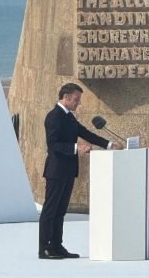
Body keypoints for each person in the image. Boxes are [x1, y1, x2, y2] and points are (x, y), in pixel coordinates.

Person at [39, 83, 123, 260]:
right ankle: (45, 248)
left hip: (68, 170)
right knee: (50, 210)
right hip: (56, 170)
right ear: (66, 97)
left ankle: (57, 245)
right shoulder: (54, 116)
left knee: (61, 211)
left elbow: (86, 133)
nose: (79, 103)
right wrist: (77, 147)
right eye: (77, 99)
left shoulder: (69, 117)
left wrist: (109, 145)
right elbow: (53, 144)